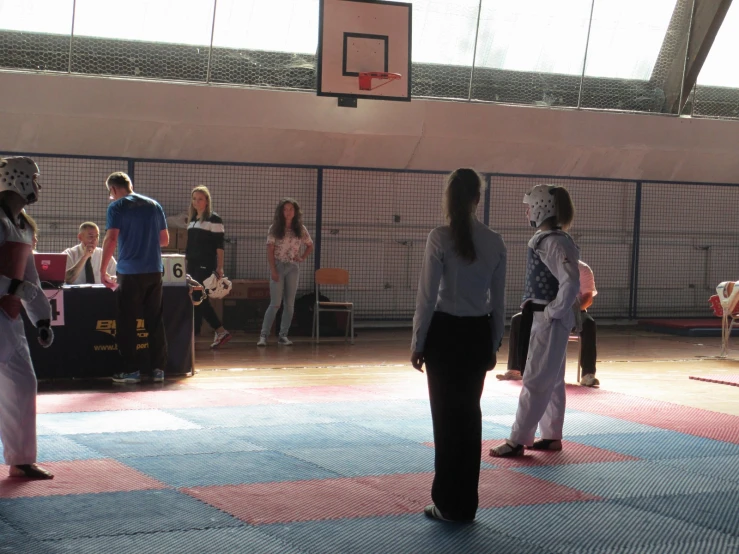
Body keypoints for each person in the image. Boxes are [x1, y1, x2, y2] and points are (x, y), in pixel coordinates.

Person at [410, 168, 507, 523]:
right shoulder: (495, 241)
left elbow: (425, 297)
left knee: (445, 421)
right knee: (469, 418)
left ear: (449, 199)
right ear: (477, 199)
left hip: (444, 335)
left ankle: (446, 503)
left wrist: (418, 341)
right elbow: (498, 302)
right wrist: (494, 342)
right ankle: (466, 505)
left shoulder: (439, 238)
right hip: (476, 334)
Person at [490, 184, 579, 458]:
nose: (527, 211)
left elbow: (570, 281)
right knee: (551, 380)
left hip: (548, 317)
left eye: (530, 206)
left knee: (536, 378)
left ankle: (518, 439)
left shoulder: (552, 241)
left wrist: (554, 311)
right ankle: (551, 435)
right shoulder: (551, 239)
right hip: (546, 316)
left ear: (543, 208)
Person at [0, 156, 54, 479]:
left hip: (10, 319)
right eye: (33, 179)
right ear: (17, 179)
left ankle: (20, 458)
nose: (37, 186)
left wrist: (42, 319)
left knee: (23, 382)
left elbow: (30, 278)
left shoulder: (23, 225)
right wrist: (13, 286)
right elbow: (21, 283)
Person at [100, 172, 169, 384]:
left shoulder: (117, 207)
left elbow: (111, 238)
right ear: (130, 185)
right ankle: (158, 370)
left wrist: (103, 270)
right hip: (154, 271)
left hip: (130, 272)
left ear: (112, 189)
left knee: (127, 322)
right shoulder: (154, 205)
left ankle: (131, 370)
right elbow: (164, 240)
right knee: (155, 320)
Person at [497, 259, 599, 386]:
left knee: (588, 323)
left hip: (573, 311)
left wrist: (569, 312)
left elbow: (587, 299)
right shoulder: (544, 267)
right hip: (546, 309)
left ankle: (588, 374)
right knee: (518, 320)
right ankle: (515, 369)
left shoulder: (583, 269)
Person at [257, 198, 313, 347]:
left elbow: (310, 245)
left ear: (295, 212)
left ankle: (283, 335)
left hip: (293, 267)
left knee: (289, 304)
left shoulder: (300, 229)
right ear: (281, 212)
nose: (288, 212)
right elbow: (269, 249)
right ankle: (264, 335)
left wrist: (302, 257)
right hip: (278, 265)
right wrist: (273, 270)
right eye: (285, 209)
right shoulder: (275, 228)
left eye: (291, 209)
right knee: (275, 303)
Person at [185, 186, 231, 349]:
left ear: (207, 201)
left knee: (199, 298)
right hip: (192, 264)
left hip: (206, 264)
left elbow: (219, 244)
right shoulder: (192, 220)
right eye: (195, 199)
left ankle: (220, 330)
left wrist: (220, 266)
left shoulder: (214, 219)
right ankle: (193, 335)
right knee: (194, 299)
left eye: (200, 199)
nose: (197, 202)